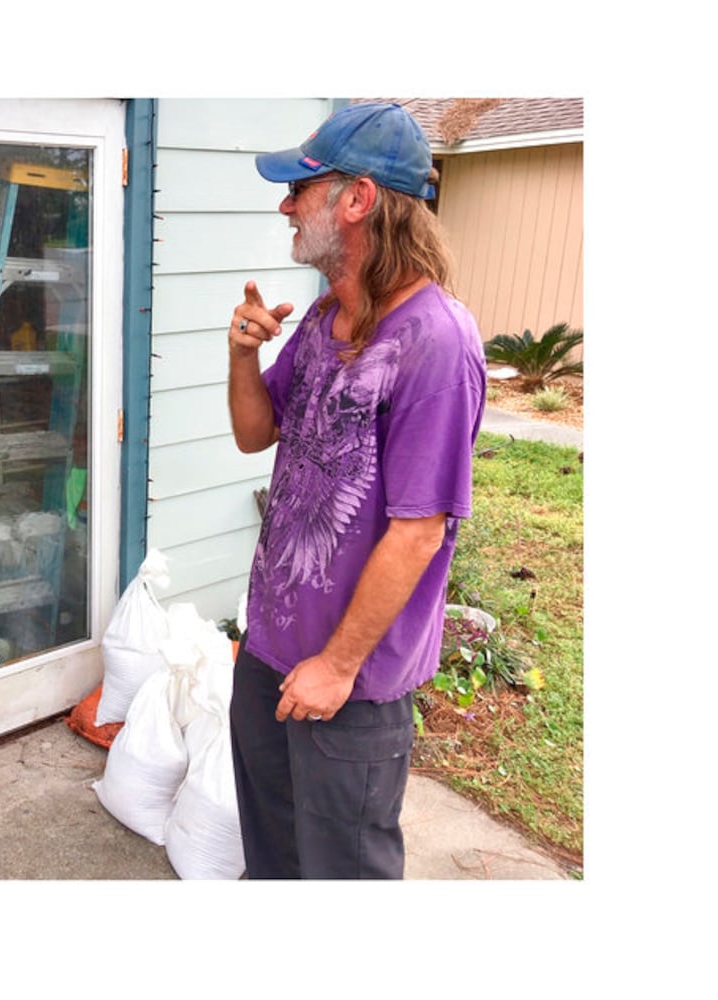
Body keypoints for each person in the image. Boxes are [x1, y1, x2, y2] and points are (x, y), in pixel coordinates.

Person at [225, 102, 486, 878]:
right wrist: (242, 353)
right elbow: (254, 432)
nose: (285, 205)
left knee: (342, 875)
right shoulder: (323, 317)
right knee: (272, 860)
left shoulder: (436, 341)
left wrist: (337, 666)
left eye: (301, 188)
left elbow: (418, 531)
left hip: (353, 683)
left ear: (358, 200)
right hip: (271, 654)